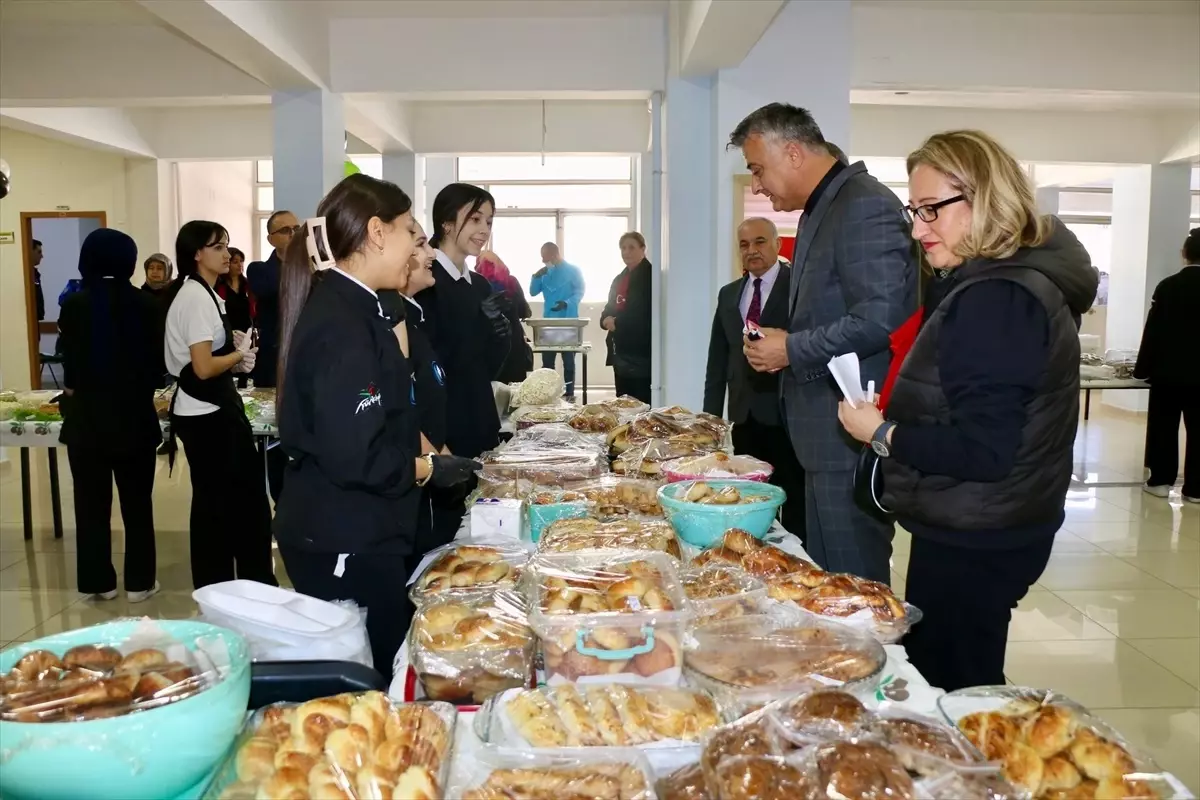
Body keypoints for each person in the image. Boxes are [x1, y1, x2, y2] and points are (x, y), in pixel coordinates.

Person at [837, 130, 1098, 691]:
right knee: (964, 668)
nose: (917, 227)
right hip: (991, 520)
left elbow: (983, 451)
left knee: (956, 684)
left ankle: (975, 777)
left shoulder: (997, 298)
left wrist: (880, 432)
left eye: (931, 209)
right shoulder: (998, 282)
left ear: (986, 200)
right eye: (915, 209)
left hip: (978, 532)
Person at [274, 174, 481, 680]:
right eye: (411, 230)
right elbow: (356, 454)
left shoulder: (361, 309)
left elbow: (393, 415)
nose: (417, 244)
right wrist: (429, 468)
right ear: (376, 232)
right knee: (371, 681)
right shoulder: (342, 324)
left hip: (370, 525)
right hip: (342, 534)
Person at [730, 102, 915, 585]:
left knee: (854, 586)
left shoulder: (863, 205)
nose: (756, 185)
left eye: (757, 169)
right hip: (821, 436)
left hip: (847, 435)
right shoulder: (823, 208)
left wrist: (791, 348)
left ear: (792, 153)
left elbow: (879, 318)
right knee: (829, 582)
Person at [164, 220, 276, 589]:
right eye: (217, 247)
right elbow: (202, 365)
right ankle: (227, 586)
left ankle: (238, 583)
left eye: (227, 245)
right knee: (226, 506)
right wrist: (236, 356)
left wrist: (233, 354)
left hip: (209, 408)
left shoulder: (207, 293)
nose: (227, 254)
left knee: (229, 503)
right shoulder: (195, 297)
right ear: (196, 253)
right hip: (206, 414)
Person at [58, 229, 163, 603]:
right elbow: (156, 369)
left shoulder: (74, 304)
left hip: (87, 422)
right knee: (137, 506)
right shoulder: (147, 305)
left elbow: (69, 373)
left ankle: (97, 581)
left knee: (90, 506)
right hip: (135, 420)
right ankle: (139, 582)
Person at [414, 183, 511, 542]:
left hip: (478, 416)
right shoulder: (426, 283)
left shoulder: (479, 285)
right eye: (474, 218)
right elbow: (431, 366)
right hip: (445, 428)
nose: (484, 229)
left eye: (488, 220)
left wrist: (501, 337)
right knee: (447, 534)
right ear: (446, 223)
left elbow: (487, 367)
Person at [704, 217, 807, 538]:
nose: (752, 251)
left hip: (788, 414)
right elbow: (717, 358)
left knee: (794, 498)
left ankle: (796, 559)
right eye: (744, 245)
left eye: (760, 242)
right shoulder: (729, 294)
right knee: (751, 499)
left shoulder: (799, 287)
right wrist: (710, 417)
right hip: (744, 415)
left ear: (778, 244)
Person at [1135, 227, 1200, 503]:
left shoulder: (1168, 286)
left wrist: (1142, 369)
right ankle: (1196, 489)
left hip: (1168, 373)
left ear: (1184, 254)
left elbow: (1153, 331)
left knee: (1164, 426)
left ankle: (1161, 481)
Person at [247, 211, 299, 501]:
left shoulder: (315, 269)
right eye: (287, 230)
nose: (294, 234)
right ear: (271, 238)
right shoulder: (259, 270)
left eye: (297, 229)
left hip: (306, 363)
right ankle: (280, 499)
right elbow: (274, 290)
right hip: (273, 366)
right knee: (276, 439)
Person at [601, 232, 653, 403]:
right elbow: (608, 308)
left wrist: (617, 322)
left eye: (631, 247)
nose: (626, 252)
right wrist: (606, 320)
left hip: (640, 353)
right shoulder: (619, 279)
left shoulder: (649, 276)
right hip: (620, 353)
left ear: (643, 249)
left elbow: (642, 312)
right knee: (623, 402)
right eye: (623, 248)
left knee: (640, 404)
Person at [531, 243, 585, 398]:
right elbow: (533, 292)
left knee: (569, 362)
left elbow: (580, 292)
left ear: (555, 255)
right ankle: (549, 394)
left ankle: (569, 394)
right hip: (549, 323)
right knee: (547, 363)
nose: (543, 261)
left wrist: (566, 303)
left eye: (546, 257)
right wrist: (536, 277)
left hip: (568, 322)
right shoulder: (545, 273)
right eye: (542, 257)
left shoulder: (573, 271)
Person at [477, 248, 533, 384]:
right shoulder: (512, 282)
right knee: (515, 391)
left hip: (491, 342)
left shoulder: (477, 284)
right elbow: (524, 312)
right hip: (514, 341)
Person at [31, 238, 45, 322]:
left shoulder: (34, 274)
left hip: (36, 319)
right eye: (39, 252)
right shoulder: (26, 275)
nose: (42, 256)